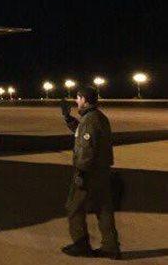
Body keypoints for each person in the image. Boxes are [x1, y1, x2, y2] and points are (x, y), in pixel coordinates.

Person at [60, 86, 120, 259]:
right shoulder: (97, 117)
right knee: (103, 208)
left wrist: (81, 172)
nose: (76, 101)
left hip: (89, 172)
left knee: (74, 207)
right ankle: (111, 247)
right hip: (102, 170)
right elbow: (83, 133)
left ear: (85, 100)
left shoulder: (90, 120)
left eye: (78, 98)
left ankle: (81, 245)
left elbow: (86, 148)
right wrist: (68, 118)